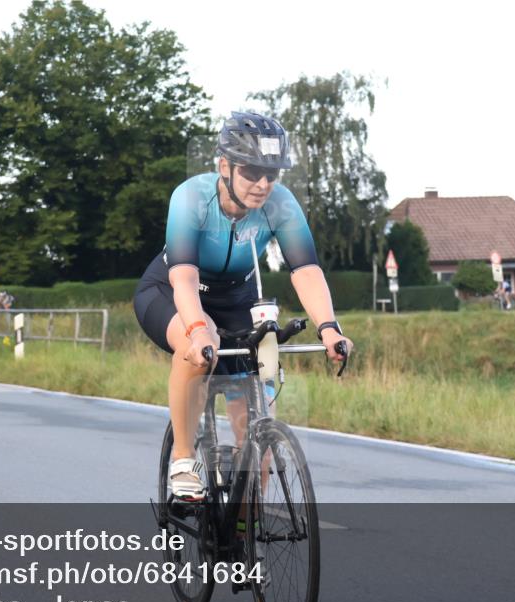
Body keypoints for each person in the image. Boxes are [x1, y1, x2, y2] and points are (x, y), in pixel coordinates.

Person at [133, 111, 353, 501]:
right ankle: (184, 458)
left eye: (273, 174)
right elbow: (183, 276)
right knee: (198, 352)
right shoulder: (190, 198)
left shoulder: (281, 203)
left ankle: (244, 534)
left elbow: (304, 270)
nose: (263, 184)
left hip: (238, 298)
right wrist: (197, 330)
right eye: (252, 172)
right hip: (174, 291)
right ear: (225, 166)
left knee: (256, 425)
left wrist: (329, 328)